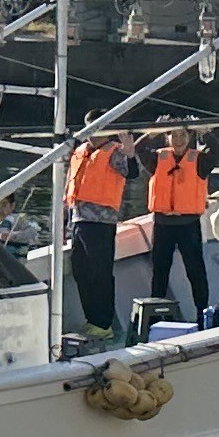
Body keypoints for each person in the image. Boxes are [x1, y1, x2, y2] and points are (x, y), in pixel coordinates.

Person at [62, 132, 137, 341]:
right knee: (81, 271)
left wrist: (130, 155)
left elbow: (132, 173)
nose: (93, 136)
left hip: (101, 223)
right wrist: (63, 224)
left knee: (100, 273)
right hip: (78, 220)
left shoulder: (114, 152)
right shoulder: (80, 151)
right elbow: (70, 189)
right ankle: (92, 319)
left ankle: (103, 323)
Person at [143, 128, 217, 323]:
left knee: (195, 271)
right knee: (160, 271)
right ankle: (154, 318)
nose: (178, 140)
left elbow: (218, 150)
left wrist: (205, 133)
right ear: (166, 138)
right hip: (163, 224)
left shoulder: (199, 160)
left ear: (190, 137)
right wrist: (151, 133)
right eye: (173, 135)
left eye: (182, 135)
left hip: (188, 224)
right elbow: (140, 149)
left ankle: (202, 315)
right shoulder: (157, 159)